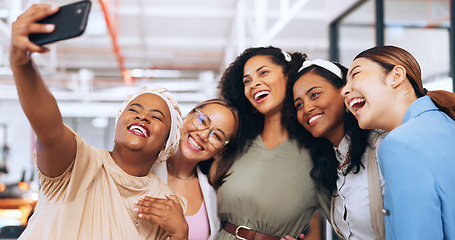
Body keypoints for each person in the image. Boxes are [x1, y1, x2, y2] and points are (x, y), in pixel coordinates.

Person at [11, 4, 188, 240]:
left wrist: (181, 233)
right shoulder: (79, 164)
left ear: (167, 144)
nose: (142, 116)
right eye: (134, 109)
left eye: (156, 117)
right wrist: (22, 64)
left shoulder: (163, 201)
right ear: (117, 124)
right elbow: (50, 131)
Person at [214, 46, 330, 240]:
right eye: (247, 81)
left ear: (289, 76)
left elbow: (349, 224)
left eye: (263, 73)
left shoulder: (318, 154)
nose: (254, 84)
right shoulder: (234, 144)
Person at [341, 45, 455, 239]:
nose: (345, 90)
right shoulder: (445, 124)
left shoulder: (401, 144)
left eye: (356, 74)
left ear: (396, 76)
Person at [287, 59, 387, 240]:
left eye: (315, 95)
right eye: (298, 105)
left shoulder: (381, 146)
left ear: (345, 91)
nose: (307, 108)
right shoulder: (332, 162)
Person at [136, 99, 240, 240]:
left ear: (220, 151)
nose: (203, 135)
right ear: (188, 116)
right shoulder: (140, 168)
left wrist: (182, 233)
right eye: (202, 121)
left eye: (217, 136)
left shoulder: (213, 196)